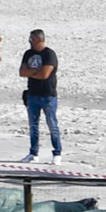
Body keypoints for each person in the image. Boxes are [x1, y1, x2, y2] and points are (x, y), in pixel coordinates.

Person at [19, 29, 62, 165]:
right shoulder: (28, 53)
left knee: (52, 124)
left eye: (31, 39)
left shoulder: (49, 54)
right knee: (33, 126)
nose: (29, 42)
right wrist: (34, 72)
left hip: (48, 95)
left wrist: (31, 73)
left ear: (39, 40)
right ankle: (33, 152)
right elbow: (22, 72)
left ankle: (57, 153)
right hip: (32, 94)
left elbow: (45, 74)